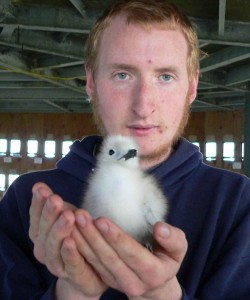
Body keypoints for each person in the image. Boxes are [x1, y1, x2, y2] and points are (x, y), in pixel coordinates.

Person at [1, 0, 250, 299]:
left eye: (165, 77)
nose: (143, 106)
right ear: (92, 82)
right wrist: (71, 293)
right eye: (122, 75)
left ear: (192, 86)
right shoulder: (26, 200)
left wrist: (164, 295)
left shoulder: (239, 203)